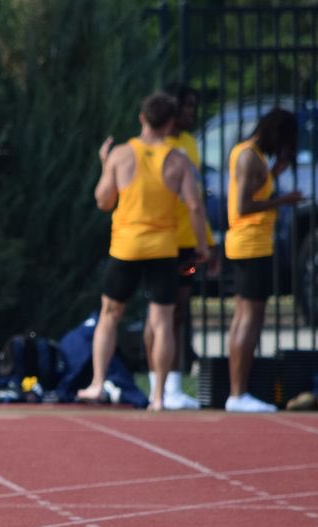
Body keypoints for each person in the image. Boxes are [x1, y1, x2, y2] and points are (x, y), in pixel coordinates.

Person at [77, 92, 211, 411]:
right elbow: (194, 205)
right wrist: (203, 246)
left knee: (110, 315)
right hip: (163, 248)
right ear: (170, 123)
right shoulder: (178, 159)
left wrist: (104, 164)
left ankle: (97, 383)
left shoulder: (121, 154)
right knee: (163, 320)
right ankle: (160, 395)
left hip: (126, 247)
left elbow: (103, 201)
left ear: (141, 119)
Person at [142, 81, 219, 410]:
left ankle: (171, 383)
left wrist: (208, 242)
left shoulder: (189, 143)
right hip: (163, 244)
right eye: (186, 107)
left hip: (189, 244)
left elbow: (196, 198)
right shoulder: (154, 147)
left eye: (193, 107)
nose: (191, 113)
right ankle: (155, 383)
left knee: (179, 307)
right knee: (159, 311)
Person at [223, 108, 303, 413]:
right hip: (250, 244)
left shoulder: (252, 155)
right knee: (249, 318)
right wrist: (284, 200)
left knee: (246, 316)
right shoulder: (248, 156)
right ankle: (238, 392)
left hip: (252, 244)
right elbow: (243, 205)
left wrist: (275, 174)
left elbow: (255, 187)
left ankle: (237, 391)